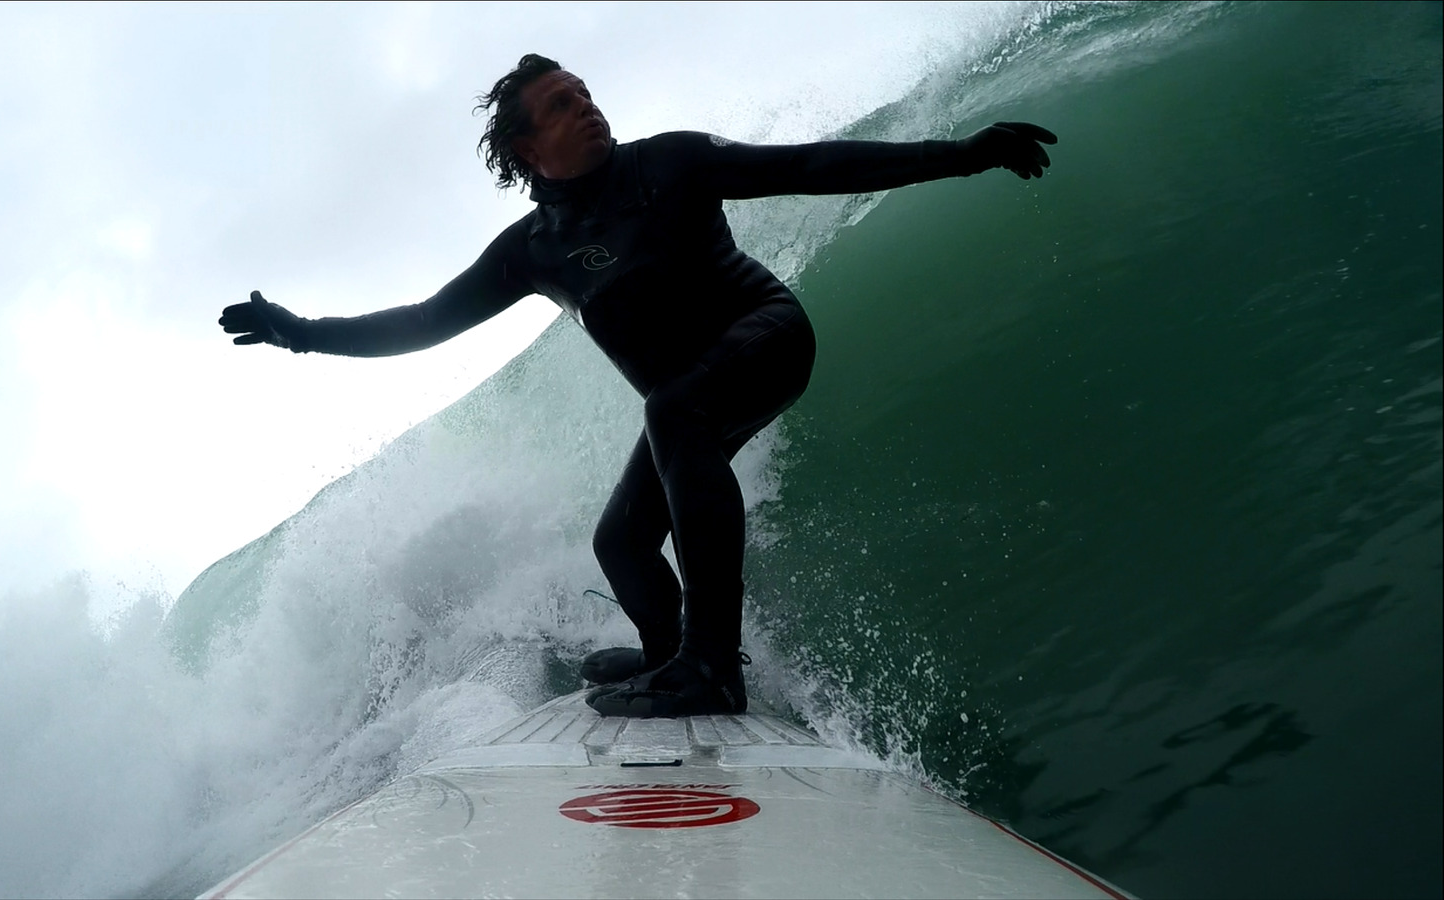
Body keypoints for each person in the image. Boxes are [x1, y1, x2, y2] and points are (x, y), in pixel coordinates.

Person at [219, 53, 1055, 718]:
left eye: (584, 92)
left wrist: (964, 154)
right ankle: (668, 654)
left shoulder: (673, 164)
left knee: (673, 410)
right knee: (619, 542)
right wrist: (299, 334)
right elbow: (425, 322)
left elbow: (813, 163)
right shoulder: (531, 252)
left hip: (767, 334)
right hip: (693, 396)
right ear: (526, 151)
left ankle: (710, 667)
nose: (585, 106)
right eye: (560, 105)